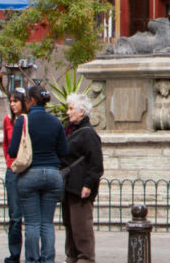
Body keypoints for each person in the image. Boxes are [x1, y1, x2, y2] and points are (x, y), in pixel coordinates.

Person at [7, 84, 68, 263]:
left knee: (32, 223)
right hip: (52, 174)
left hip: (29, 174)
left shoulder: (23, 121)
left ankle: (32, 259)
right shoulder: (56, 121)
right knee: (47, 223)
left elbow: (12, 151)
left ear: (31, 101)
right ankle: (48, 259)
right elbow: (64, 150)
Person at [61, 93, 103, 263]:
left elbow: (96, 164)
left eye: (71, 109)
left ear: (82, 111)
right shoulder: (70, 130)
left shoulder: (88, 134)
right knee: (70, 225)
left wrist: (88, 185)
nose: (68, 112)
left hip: (80, 188)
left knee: (81, 227)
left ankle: (85, 257)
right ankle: (72, 256)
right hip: (69, 186)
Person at [2, 88, 27, 263]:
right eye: (11, 101)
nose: (12, 105)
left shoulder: (28, 120)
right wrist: (8, 162)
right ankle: (14, 253)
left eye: (15, 101)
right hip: (13, 169)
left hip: (28, 169)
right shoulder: (8, 120)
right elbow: (5, 143)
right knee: (15, 216)